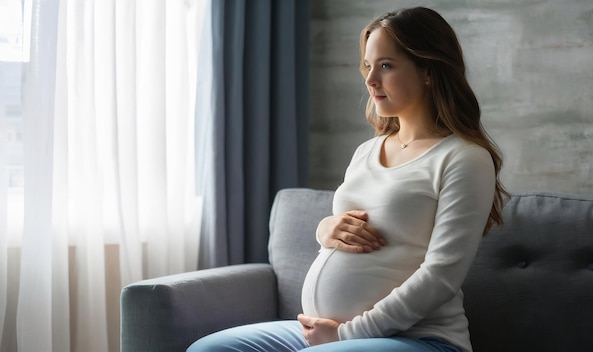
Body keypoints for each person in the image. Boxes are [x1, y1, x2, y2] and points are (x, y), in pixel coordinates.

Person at [187, 6, 507, 352]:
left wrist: (346, 335)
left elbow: (441, 277)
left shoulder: (464, 158)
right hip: (323, 334)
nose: (370, 80)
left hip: (417, 338)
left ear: (428, 70)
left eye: (386, 65)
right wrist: (324, 229)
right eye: (368, 66)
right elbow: (354, 230)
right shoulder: (366, 152)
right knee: (208, 350)